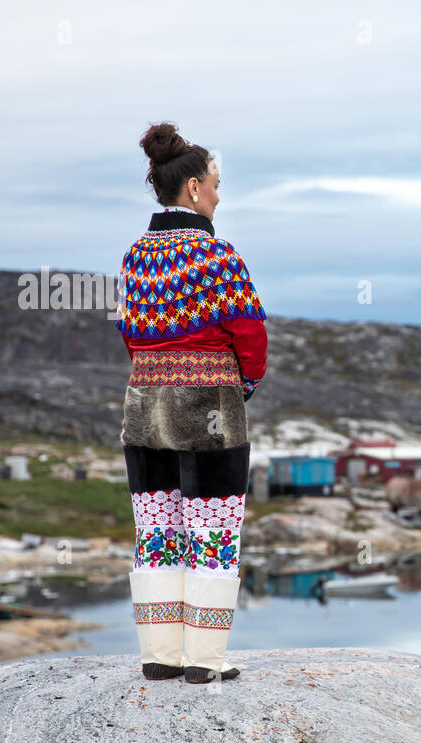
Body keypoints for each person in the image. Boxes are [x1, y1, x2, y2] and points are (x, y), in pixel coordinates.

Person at [115, 121, 267, 684]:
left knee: (156, 526)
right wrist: (240, 386)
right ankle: (204, 660)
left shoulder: (136, 257)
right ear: (196, 189)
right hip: (209, 405)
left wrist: (154, 373)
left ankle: (160, 655)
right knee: (212, 528)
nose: (220, 196)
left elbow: (129, 331)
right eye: (217, 184)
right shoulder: (218, 256)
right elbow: (249, 334)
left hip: (144, 404)